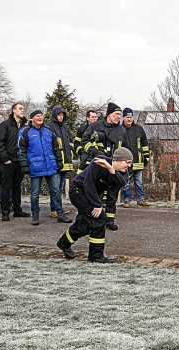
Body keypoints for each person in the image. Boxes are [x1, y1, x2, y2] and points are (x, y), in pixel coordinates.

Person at [56, 148, 131, 263]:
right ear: (119, 159)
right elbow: (88, 183)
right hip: (78, 192)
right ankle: (95, 256)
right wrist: (97, 204)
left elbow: (122, 182)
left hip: (92, 196)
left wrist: (111, 169)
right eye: (127, 162)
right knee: (100, 219)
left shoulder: (123, 173)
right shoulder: (99, 161)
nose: (129, 166)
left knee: (84, 225)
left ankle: (63, 243)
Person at [80, 102, 129, 230]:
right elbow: (84, 141)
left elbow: (126, 149)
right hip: (99, 166)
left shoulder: (122, 130)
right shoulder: (96, 126)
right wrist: (95, 153)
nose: (119, 117)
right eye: (116, 114)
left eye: (120, 114)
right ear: (109, 114)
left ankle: (110, 220)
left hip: (114, 167)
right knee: (97, 193)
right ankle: (94, 218)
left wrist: (127, 166)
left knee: (113, 195)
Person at [18, 110, 71, 226]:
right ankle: (35, 215)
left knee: (56, 191)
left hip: (51, 166)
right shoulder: (26, 132)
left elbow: (56, 147)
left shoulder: (48, 131)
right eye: (37, 116)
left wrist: (59, 162)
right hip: (35, 167)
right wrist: (24, 165)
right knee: (35, 193)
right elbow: (21, 150)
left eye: (41, 116)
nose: (40, 118)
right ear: (32, 118)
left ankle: (60, 214)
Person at [0, 102, 30, 221]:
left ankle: (17, 209)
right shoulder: (5, 125)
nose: (22, 110)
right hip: (8, 161)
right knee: (6, 186)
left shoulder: (25, 126)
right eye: (20, 108)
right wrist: (5, 159)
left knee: (17, 186)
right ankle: (5, 211)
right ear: (14, 110)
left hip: (20, 161)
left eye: (23, 109)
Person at [45, 106, 74, 218]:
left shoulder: (64, 127)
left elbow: (69, 141)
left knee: (60, 187)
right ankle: (56, 209)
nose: (61, 117)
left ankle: (56, 208)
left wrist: (70, 150)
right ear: (54, 115)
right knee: (55, 188)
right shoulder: (49, 126)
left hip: (65, 162)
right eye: (59, 115)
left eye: (62, 115)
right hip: (56, 163)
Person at [120, 107, 150, 207]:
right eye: (127, 117)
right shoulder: (119, 130)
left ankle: (140, 199)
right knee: (125, 182)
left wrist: (146, 157)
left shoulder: (139, 129)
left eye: (131, 117)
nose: (129, 119)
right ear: (123, 118)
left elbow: (145, 143)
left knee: (139, 181)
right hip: (124, 162)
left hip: (138, 160)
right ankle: (127, 200)